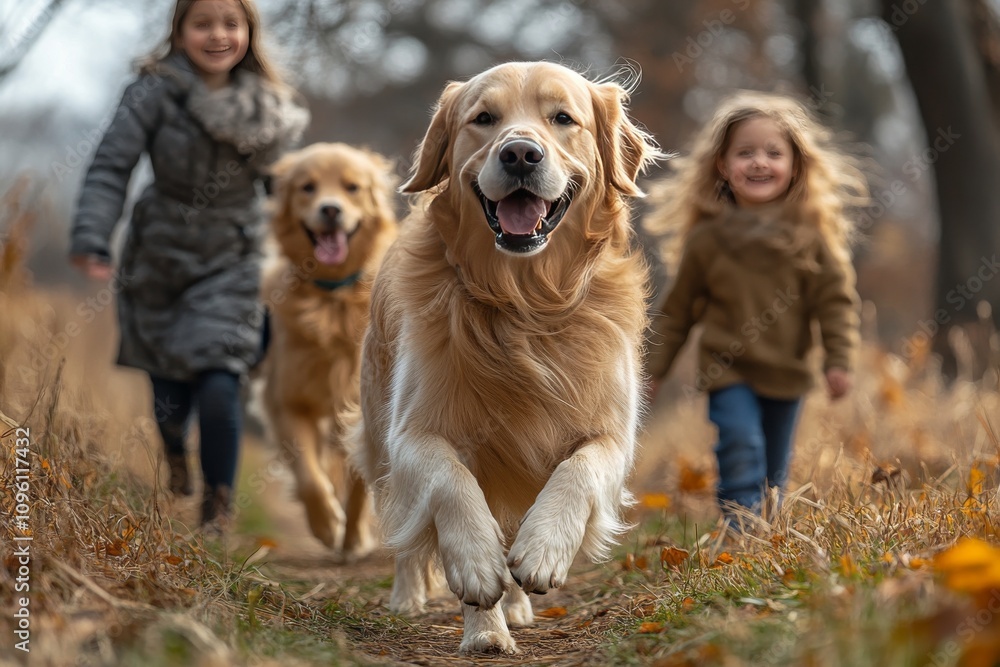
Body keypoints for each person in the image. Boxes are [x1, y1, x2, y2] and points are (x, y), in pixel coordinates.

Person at [69, 0, 309, 530]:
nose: (218, 35)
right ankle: (175, 449)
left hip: (235, 257)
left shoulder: (269, 107)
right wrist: (92, 236)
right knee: (170, 393)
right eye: (203, 23)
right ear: (179, 32)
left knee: (222, 382)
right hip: (159, 259)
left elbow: (286, 188)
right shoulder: (153, 91)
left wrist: (312, 251)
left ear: (250, 31)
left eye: (231, 23)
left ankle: (217, 513)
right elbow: (111, 165)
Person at [645, 91, 868, 526]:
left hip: (789, 372)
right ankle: (741, 528)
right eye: (745, 153)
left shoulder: (811, 238)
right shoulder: (708, 240)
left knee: (774, 467)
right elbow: (677, 312)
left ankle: (767, 531)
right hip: (728, 370)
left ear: (795, 166)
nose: (759, 162)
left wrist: (840, 360)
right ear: (723, 167)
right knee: (740, 443)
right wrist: (653, 370)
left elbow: (836, 303)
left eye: (773, 153)